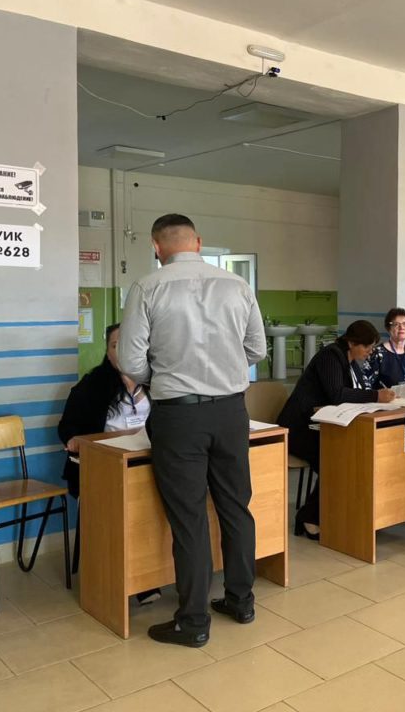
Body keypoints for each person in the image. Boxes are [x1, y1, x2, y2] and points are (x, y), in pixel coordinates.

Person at [118, 213, 267, 649]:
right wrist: (225, 368)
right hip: (232, 411)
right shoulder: (237, 285)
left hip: (178, 416)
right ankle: (241, 601)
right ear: (198, 242)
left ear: (156, 247)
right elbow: (257, 348)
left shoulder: (147, 286)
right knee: (236, 507)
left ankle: (194, 620)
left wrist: (165, 377)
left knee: (189, 518)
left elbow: (130, 361)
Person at [57, 323, 159, 605]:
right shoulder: (91, 387)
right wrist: (74, 440)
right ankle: (135, 580)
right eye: (116, 345)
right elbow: (67, 428)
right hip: (105, 471)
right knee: (132, 506)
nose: (123, 350)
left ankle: (153, 572)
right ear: (108, 351)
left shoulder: (156, 382)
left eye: (130, 344)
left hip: (149, 464)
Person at [277, 320, 396, 540]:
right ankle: (309, 517)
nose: (369, 352)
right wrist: (375, 396)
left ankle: (331, 513)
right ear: (351, 342)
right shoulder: (330, 356)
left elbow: (352, 392)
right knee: (337, 461)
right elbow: (337, 394)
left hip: (321, 425)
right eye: (366, 347)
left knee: (347, 457)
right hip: (299, 427)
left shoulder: (351, 361)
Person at [367, 307, 405, 389]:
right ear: (388, 328)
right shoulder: (376, 353)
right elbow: (367, 385)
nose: (401, 327)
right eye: (396, 324)